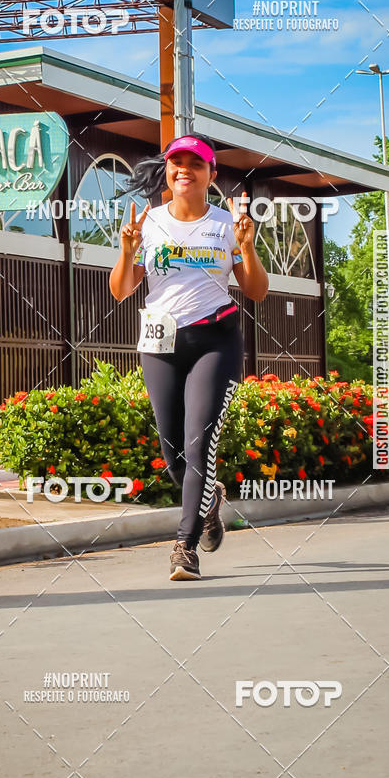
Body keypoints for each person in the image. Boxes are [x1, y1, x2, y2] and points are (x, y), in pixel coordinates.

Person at [109, 133, 268, 580]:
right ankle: (208, 500)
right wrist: (126, 252)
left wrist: (248, 247)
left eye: (195, 164)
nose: (184, 170)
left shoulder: (226, 225)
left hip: (215, 340)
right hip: (160, 345)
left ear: (210, 174)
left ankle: (184, 546)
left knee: (199, 442)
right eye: (176, 163)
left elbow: (256, 291)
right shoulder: (148, 223)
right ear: (168, 172)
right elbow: (121, 291)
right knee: (172, 450)